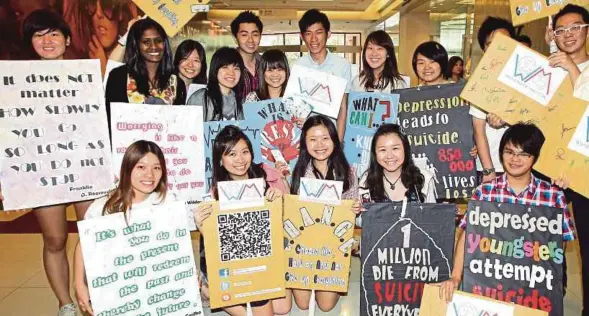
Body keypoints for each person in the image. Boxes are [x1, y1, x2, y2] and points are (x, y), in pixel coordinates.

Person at [438, 123, 575, 307]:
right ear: (501, 154)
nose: (515, 159)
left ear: (535, 157)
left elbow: (559, 245)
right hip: (490, 285)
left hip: (534, 289)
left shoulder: (553, 196)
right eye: (509, 152)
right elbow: (467, 235)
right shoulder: (485, 193)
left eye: (523, 154)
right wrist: (455, 276)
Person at [13, 10, 93, 316]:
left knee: (92, 235)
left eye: (54, 34)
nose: (47, 41)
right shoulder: (15, 83)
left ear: (68, 39)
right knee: (55, 239)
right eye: (38, 35)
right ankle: (66, 303)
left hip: (86, 167)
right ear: (30, 42)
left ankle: (90, 293)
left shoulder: (85, 77)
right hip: (43, 171)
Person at [194, 125, 289, 315]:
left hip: (264, 257)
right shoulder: (214, 195)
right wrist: (202, 226)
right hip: (232, 264)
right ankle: (208, 290)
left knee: (283, 308)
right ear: (220, 160)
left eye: (245, 152)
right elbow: (216, 247)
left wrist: (280, 199)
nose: (240, 159)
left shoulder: (265, 176)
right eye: (231, 154)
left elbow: (284, 224)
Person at [74, 140, 169, 315]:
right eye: (141, 167)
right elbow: (83, 244)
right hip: (118, 291)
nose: (150, 175)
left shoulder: (167, 202)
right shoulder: (104, 207)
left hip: (157, 289)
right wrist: (79, 284)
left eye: (156, 168)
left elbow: (177, 245)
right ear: (128, 168)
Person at [288, 115, 361, 312]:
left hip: (333, 248)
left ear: (334, 141)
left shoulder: (349, 172)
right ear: (305, 143)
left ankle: (341, 273)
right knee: (303, 304)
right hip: (305, 248)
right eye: (313, 139)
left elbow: (355, 209)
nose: (319, 144)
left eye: (325, 138)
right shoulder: (299, 171)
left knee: (326, 306)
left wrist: (355, 208)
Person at [104, 18, 186, 117]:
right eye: (146, 42)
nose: (154, 46)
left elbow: (180, 126)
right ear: (136, 45)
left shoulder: (177, 83)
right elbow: (111, 121)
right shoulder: (118, 77)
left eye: (158, 41)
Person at [470, 17, 515, 184]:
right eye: (491, 43)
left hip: (522, 165)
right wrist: (489, 170)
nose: (499, 47)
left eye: (505, 41)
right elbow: (478, 130)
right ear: (484, 49)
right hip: (491, 166)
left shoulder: (525, 79)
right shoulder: (480, 82)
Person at [295, 9, 352, 141]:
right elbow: (295, 105)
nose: (313, 39)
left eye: (319, 32)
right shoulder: (298, 66)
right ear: (301, 36)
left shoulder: (342, 65)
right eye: (308, 33)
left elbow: (343, 108)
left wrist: (339, 142)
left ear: (328, 34)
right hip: (306, 137)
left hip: (331, 136)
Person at [359, 124, 436, 203]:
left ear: (405, 149)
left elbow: (432, 214)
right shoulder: (366, 180)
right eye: (383, 150)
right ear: (375, 153)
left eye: (395, 148)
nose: (389, 156)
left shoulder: (424, 178)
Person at [186, 47, 245, 121]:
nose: (231, 73)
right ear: (215, 69)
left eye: (236, 68)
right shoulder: (200, 98)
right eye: (225, 67)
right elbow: (190, 130)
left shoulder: (241, 102)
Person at [547, 4, 589, 86]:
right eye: (560, 30)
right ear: (554, 37)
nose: (567, 35)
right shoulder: (547, 68)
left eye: (575, 28)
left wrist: (571, 67)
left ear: (588, 32)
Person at [231, 11, 263, 98]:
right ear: (235, 38)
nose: (250, 40)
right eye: (244, 35)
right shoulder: (227, 65)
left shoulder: (266, 64)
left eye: (255, 34)